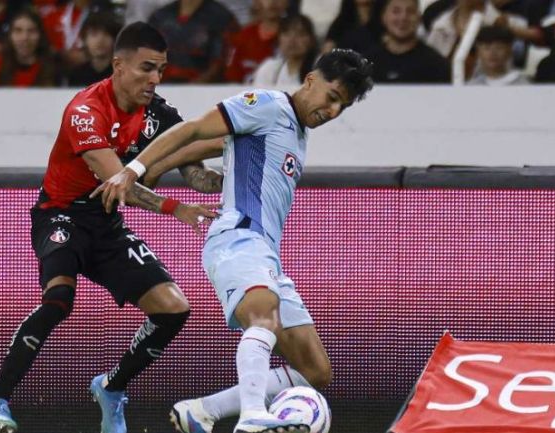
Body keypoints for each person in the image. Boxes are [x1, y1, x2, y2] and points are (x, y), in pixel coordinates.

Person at [92, 49, 374, 433]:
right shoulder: (269, 104)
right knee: (264, 313)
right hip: (238, 238)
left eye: (342, 106)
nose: (332, 110)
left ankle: (202, 410)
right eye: (331, 96)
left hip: (266, 254)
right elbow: (194, 127)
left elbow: (211, 145)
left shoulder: (296, 131)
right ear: (310, 79)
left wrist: (167, 170)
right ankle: (253, 415)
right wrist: (134, 170)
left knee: (315, 371)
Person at [0, 22, 221, 433]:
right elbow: (120, 184)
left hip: (105, 225)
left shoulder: (160, 113)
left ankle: (111, 387)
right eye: (146, 68)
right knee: (59, 299)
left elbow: (195, 173)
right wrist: (178, 209)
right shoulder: (85, 111)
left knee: (174, 309)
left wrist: (231, 173)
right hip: (61, 214)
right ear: (118, 65)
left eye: (161, 69)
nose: (155, 79)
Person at [148, 0, 240, 82]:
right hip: (163, 87)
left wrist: (193, 88)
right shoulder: (159, 17)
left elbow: (222, 63)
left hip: (206, 90)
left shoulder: (222, 18)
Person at [364, 0, 450, 83]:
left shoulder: (436, 65)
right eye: (396, 11)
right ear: (383, 17)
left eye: (410, 12)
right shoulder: (366, 64)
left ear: (419, 18)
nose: (403, 18)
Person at [0, 8, 59, 87]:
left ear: (40, 35)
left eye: (32, 31)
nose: (25, 37)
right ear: (10, 35)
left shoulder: (55, 68)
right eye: (18, 30)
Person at [224, 0, 289, 84]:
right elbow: (232, 78)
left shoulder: (295, 39)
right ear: (256, 2)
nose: (273, 2)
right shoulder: (244, 36)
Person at [252, 14, 319, 86]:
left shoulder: (321, 69)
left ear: (311, 40)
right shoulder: (269, 69)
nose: (292, 40)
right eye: (286, 33)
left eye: (300, 34)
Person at [67, 11, 122, 86]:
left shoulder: (122, 74)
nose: (100, 40)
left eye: (106, 34)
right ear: (85, 39)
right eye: (94, 34)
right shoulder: (76, 75)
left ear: (115, 39)